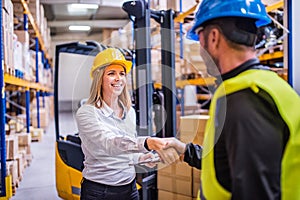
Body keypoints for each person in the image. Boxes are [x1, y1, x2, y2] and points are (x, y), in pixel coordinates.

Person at [163, 0, 300, 199]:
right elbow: (230, 165)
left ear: (214, 37)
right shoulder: (258, 86)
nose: (201, 51)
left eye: (200, 39)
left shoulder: (246, 99)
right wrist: (184, 150)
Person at [76, 48, 171, 200]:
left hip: (129, 188)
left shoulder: (129, 112)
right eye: (111, 73)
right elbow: (110, 144)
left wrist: (144, 158)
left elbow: (126, 153)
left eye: (122, 74)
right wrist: (147, 142)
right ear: (99, 78)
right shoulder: (87, 113)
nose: (118, 78)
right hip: (99, 192)